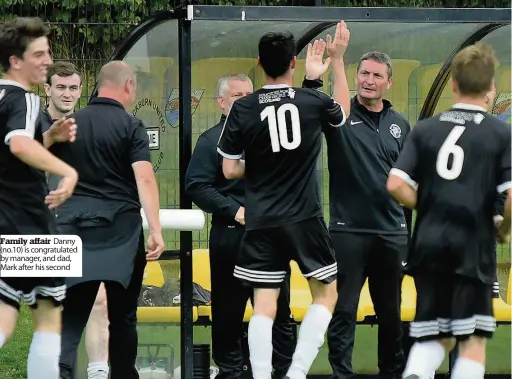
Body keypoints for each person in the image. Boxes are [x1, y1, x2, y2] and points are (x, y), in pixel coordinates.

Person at [217, 22, 351, 379]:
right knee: (325, 296)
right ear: (294, 63)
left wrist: (258, 166)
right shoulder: (313, 101)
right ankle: (297, 373)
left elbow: (229, 170)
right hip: (305, 218)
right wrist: (336, 61)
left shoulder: (242, 109)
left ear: (259, 64)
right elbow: (343, 111)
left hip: (260, 220)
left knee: (264, 306)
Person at [386, 42, 511, 379]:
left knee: (434, 335)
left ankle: (416, 373)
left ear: (453, 84)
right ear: (489, 88)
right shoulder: (499, 132)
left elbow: (396, 184)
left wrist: (427, 203)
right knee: (471, 342)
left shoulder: (426, 128)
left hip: (428, 245)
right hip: (472, 246)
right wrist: (504, 226)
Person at [50, 61, 165, 379]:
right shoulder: (131, 126)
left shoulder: (69, 124)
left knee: (70, 313)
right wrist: (155, 229)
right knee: (123, 316)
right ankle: (124, 374)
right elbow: (144, 178)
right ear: (128, 85)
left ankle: (58, 371)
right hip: (122, 236)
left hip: (73, 232)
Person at [307, 51, 410, 379]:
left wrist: (409, 235)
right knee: (344, 313)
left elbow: (409, 182)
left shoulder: (400, 125)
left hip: (391, 235)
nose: (369, 80)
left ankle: (391, 374)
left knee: (391, 316)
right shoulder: (341, 114)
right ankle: (342, 375)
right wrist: (333, 61)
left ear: (389, 82)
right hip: (347, 232)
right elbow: (314, 104)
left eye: (377, 75)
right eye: (364, 73)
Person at [185, 73, 295, 379]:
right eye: (237, 96)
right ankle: (231, 371)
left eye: (249, 95)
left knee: (279, 313)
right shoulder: (211, 141)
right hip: (231, 239)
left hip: (271, 239)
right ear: (221, 103)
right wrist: (235, 211)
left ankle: (284, 372)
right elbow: (195, 186)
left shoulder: (271, 138)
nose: (245, 101)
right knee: (227, 314)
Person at [0, 16, 78, 379]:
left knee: (5, 312)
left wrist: (48, 139)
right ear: (16, 61)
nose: (48, 60)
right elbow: (17, 145)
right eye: (39, 54)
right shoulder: (25, 99)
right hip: (28, 223)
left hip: (6, 222)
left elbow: (14, 149)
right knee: (49, 314)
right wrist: (67, 170)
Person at [41, 61, 110, 379]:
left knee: (98, 302)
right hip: (36, 230)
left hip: (82, 227)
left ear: (81, 91)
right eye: (60, 87)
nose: (67, 93)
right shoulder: (31, 123)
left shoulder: (87, 127)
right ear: (47, 89)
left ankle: (98, 372)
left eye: (73, 87)